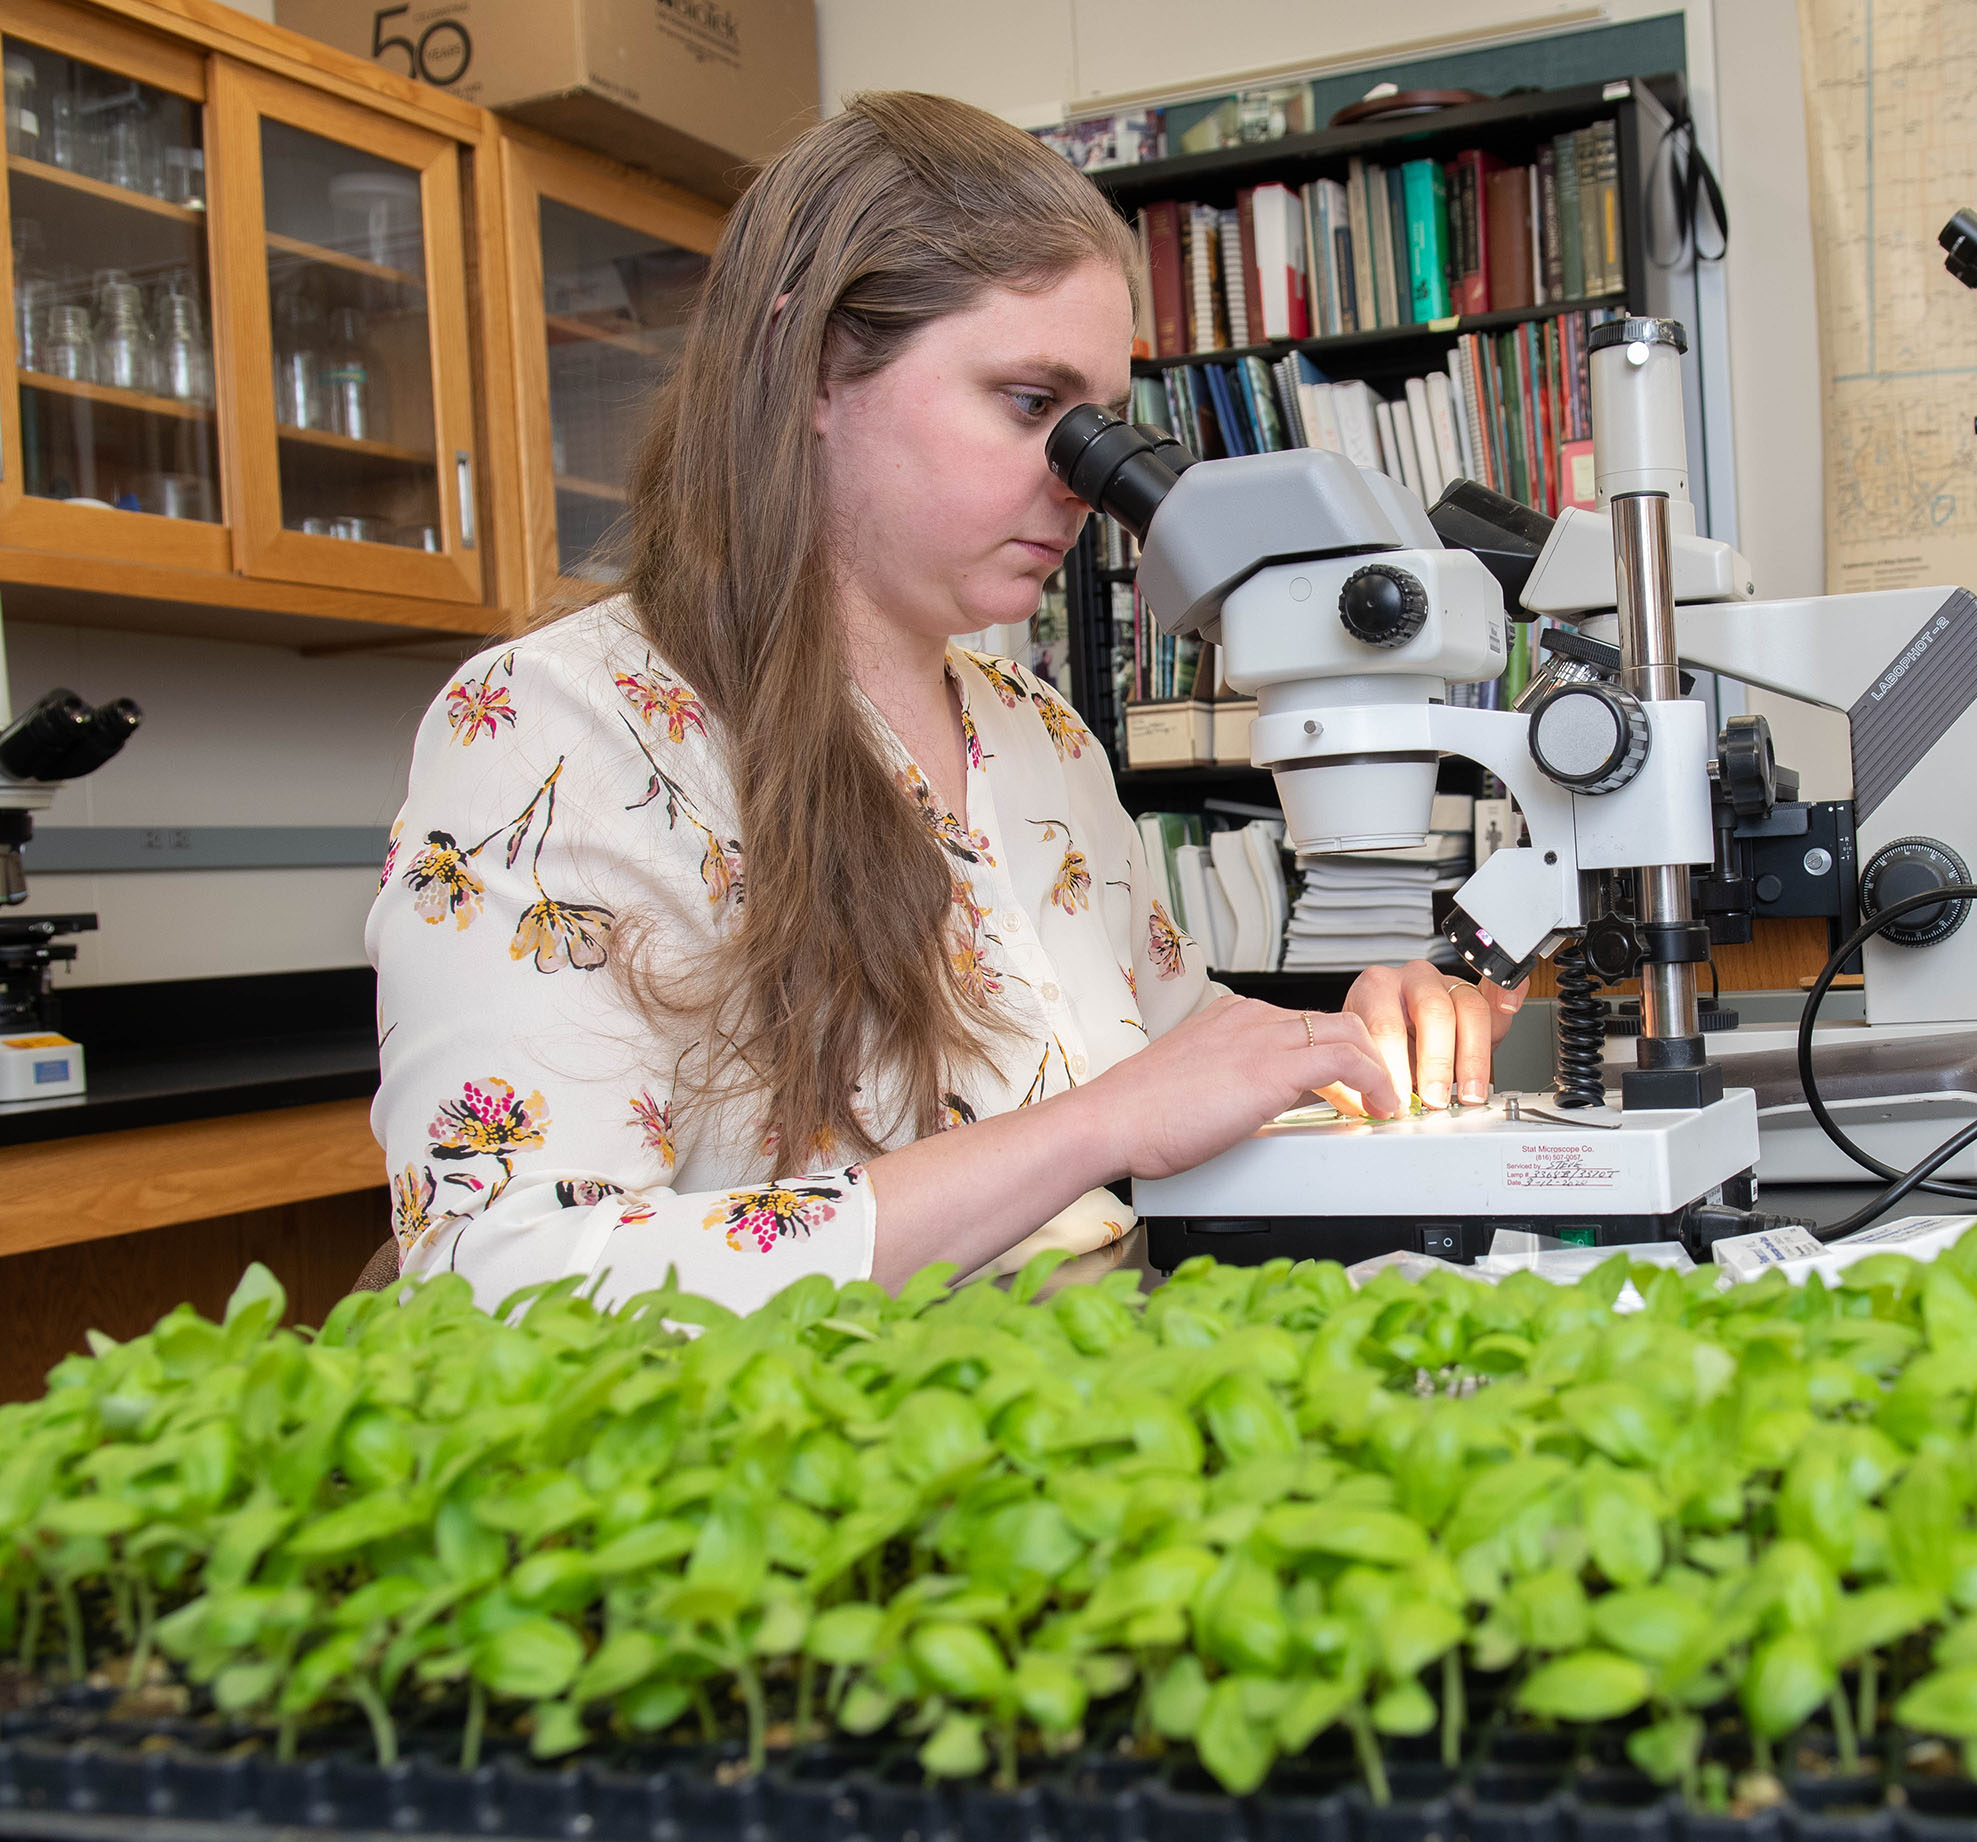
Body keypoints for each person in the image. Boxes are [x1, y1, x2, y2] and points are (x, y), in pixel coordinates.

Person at [368, 93, 1523, 1309]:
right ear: (816, 365)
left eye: (1098, 425)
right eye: (1033, 405)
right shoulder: (560, 730)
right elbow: (501, 1281)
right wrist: (1095, 1128)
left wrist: (1339, 1042)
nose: (1082, 481)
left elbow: (1165, 1059)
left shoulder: (1038, 734)